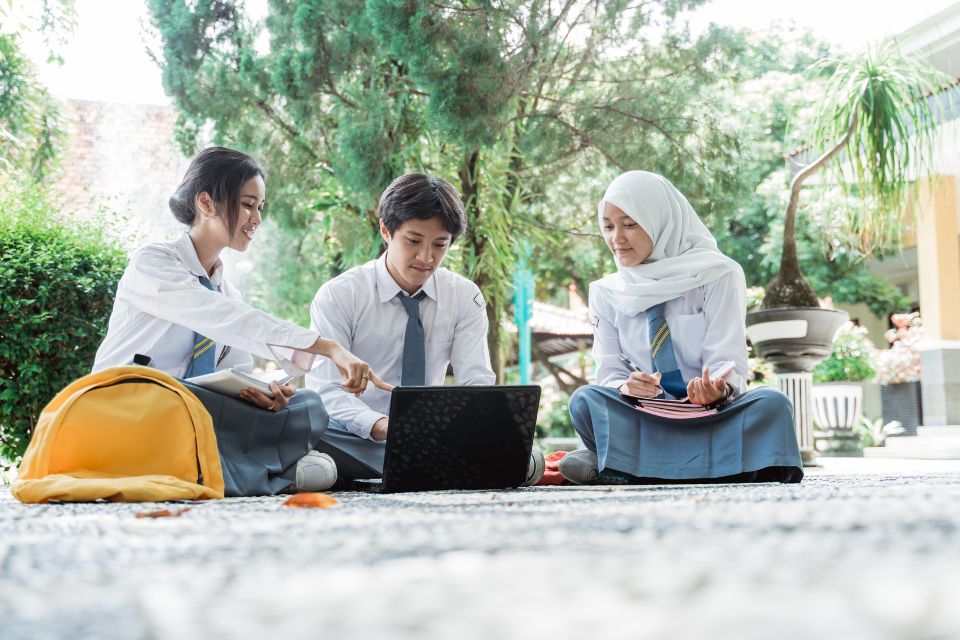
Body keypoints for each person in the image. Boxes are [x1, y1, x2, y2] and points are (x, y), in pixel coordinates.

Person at [93, 147, 389, 496]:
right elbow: (220, 317)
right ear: (205, 203)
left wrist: (265, 394)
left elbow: (233, 374)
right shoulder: (154, 262)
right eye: (248, 204)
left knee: (307, 405)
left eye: (259, 207)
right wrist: (326, 346)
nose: (257, 219)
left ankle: (223, 470)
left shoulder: (229, 291)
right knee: (184, 399)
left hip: (196, 415)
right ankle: (254, 473)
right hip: (136, 405)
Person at [559, 171, 803, 485]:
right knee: (585, 400)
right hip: (643, 415)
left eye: (630, 224)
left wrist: (716, 390)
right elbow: (609, 372)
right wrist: (626, 387)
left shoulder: (719, 274)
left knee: (772, 404)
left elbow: (728, 358)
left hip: (713, 417)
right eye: (608, 226)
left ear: (661, 220)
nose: (616, 238)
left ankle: (620, 463)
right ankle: (728, 464)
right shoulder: (607, 292)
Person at [307, 173, 544, 484]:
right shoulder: (341, 295)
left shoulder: (464, 296)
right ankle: (441, 467)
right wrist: (383, 426)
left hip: (437, 437)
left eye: (440, 244)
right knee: (307, 421)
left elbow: (476, 382)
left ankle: (383, 468)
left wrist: (470, 428)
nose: (426, 257)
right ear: (385, 230)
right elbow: (326, 390)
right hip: (358, 435)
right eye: (414, 241)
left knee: (518, 452)